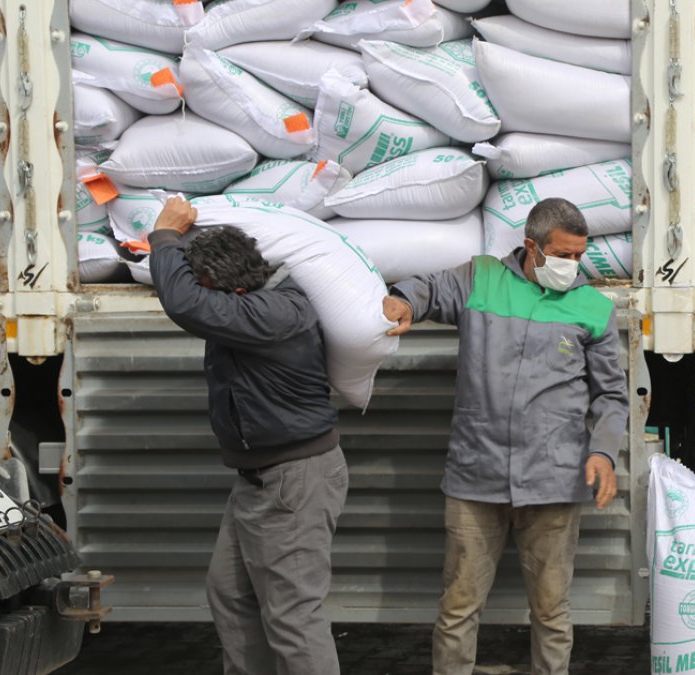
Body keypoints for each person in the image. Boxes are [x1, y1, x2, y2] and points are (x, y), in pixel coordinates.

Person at [384, 197, 629, 675]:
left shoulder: (593, 308)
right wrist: (403, 299)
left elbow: (612, 396)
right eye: (562, 255)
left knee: (552, 611)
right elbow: (429, 289)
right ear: (531, 248)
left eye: (579, 256)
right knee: (458, 608)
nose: (572, 267)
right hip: (477, 476)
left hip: (554, 481)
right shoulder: (480, 279)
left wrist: (602, 451)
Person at [148, 196, 348, 675]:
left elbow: (184, 303)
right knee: (231, 593)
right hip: (258, 478)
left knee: (293, 617)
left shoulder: (274, 313)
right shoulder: (253, 304)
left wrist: (164, 236)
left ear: (231, 290)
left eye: (212, 294)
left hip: (292, 481)